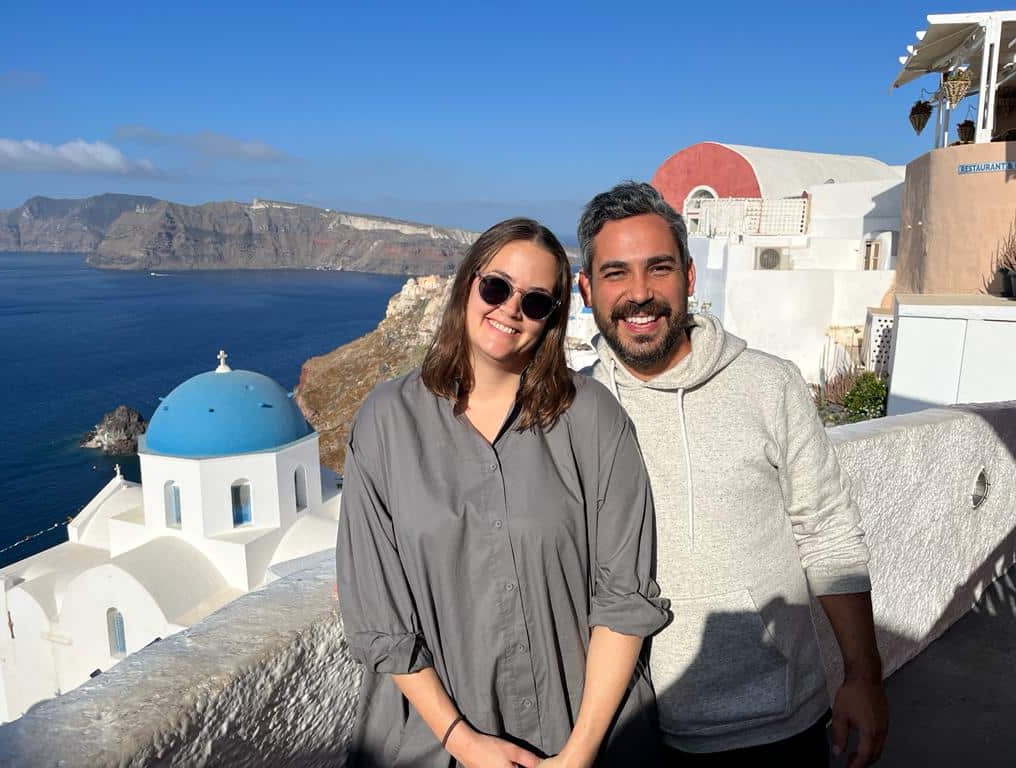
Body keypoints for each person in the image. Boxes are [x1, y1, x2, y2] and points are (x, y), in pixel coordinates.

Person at [336, 217, 670, 768]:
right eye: (496, 287)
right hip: (433, 744)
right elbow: (379, 615)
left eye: (536, 302)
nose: (511, 309)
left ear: (552, 320)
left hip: (584, 739)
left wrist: (579, 753)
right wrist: (463, 742)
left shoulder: (591, 420)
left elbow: (624, 599)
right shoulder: (387, 421)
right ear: (468, 283)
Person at [576, 182, 889, 767]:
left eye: (659, 269)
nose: (639, 294)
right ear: (587, 289)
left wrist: (863, 677)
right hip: (634, 728)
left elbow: (829, 533)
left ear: (689, 278)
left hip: (778, 723)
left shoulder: (770, 385)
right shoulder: (575, 409)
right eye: (616, 274)